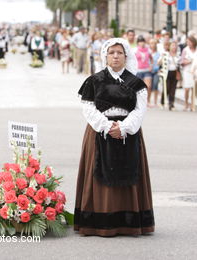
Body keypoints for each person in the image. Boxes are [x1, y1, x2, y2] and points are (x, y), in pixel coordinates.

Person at [74, 38, 155, 236]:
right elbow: (88, 107)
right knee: (100, 172)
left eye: (119, 53)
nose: (116, 56)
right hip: (99, 131)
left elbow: (139, 110)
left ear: (126, 56)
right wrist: (107, 126)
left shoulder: (136, 83)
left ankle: (128, 222)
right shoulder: (95, 80)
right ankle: (98, 221)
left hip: (129, 133)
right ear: (105, 56)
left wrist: (125, 127)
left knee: (129, 172)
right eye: (112, 53)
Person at [159, 41, 179, 111]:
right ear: (169, 47)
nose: (174, 47)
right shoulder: (165, 54)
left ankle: (171, 103)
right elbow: (159, 63)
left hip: (175, 73)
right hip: (167, 73)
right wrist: (162, 58)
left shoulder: (178, 55)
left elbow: (180, 65)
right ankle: (162, 102)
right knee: (166, 88)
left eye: (175, 46)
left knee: (173, 89)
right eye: (172, 45)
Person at [135, 36, 153, 106]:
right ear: (138, 43)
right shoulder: (135, 50)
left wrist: (151, 65)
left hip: (147, 70)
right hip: (138, 70)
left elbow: (151, 59)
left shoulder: (148, 50)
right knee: (139, 88)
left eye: (143, 42)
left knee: (148, 86)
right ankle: (139, 102)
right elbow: (132, 60)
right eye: (140, 42)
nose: (141, 43)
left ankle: (148, 101)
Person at [180, 36, 196, 111]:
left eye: (190, 42)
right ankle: (186, 103)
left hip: (195, 71)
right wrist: (190, 61)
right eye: (187, 42)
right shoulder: (185, 50)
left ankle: (192, 104)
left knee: (194, 88)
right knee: (187, 88)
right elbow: (182, 61)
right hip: (187, 70)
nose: (188, 43)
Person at [149, 39, 160, 107]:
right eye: (151, 43)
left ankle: (155, 102)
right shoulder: (148, 52)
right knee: (149, 86)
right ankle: (149, 101)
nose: (153, 45)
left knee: (155, 85)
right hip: (149, 71)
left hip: (156, 71)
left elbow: (159, 63)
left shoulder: (158, 53)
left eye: (154, 44)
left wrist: (159, 69)